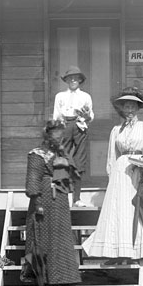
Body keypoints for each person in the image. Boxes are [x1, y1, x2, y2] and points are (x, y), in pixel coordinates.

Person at [81, 88, 143, 262]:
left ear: (138, 108)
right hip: (120, 174)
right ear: (122, 110)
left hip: (139, 171)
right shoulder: (116, 130)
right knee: (120, 211)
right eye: (126, 107)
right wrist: (113, 179)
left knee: (136, 208)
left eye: (133, 106)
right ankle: (118, 251)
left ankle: (138, 252)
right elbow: (112, 157)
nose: (129, 110)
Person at [22, 120, 82, 286]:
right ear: (47, 134)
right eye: (55, 133)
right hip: (45, 197)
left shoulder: (61, 154)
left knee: (60, 235)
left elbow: (72, 173)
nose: (59, 136)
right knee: (44, 233)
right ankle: (43, 274)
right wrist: (37, 202)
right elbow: (33, 180)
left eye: (61, 133)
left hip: (60, 198)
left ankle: (63, 275)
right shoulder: (37, 154)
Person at [52, 66, 94, 206]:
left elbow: (90, 116)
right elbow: (56, 115)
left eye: (76, 78)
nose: (73, 80)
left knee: (79, 161)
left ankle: (77, 198)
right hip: (65, 125)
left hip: (80, 126)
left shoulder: (85, 97)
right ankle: (61, 197)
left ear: (80, 80)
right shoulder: (60, 96)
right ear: (67, 80)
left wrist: (86, 115)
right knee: (62, 158)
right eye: (70, 78)